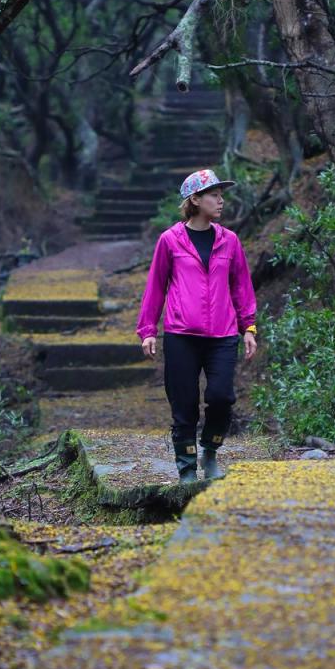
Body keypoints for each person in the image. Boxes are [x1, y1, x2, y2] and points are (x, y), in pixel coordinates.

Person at [136, 168, 258, 483]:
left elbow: (241, 287)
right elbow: (156, 287)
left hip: (223, 334)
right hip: (181, 335)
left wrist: (249, 327)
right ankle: (187, 468)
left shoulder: (229, 241)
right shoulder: (170, 241)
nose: (221, 201)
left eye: (221, 195)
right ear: (195, 199)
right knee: (184, 403)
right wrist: (148, 330)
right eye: (214, 195)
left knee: (221, 397)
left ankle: (211, 451)